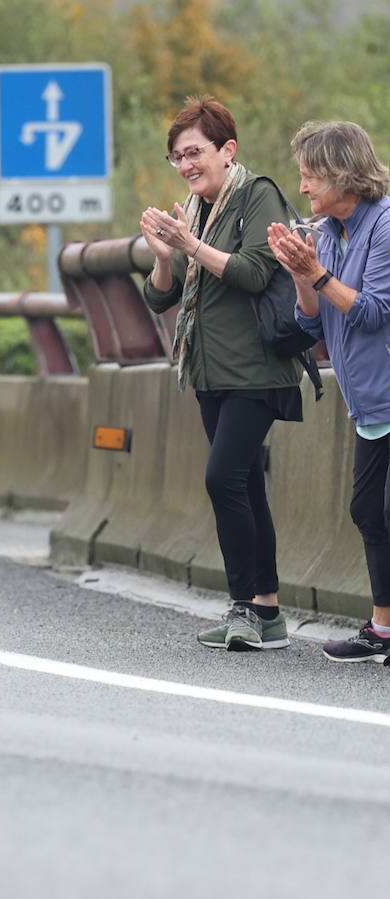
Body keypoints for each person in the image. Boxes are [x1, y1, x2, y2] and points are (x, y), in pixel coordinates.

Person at [138, 95, 305, 651]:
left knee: (222, 478)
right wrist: (165, 253)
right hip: (210, 372)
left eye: (195, 152)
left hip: (258, 369)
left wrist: (192, 243)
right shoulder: (197, 208)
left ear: (226, 150)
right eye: (177, 157)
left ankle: (241, 608)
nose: (186, 165)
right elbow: (160, 299)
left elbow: (257, 273)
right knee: (247, 485)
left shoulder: (258, 195)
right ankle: (268, 614)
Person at [268, 120, 390, 664]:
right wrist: (300, 271)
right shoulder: (331, 232)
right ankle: (382, 630)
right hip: (369, 401)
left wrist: (317, 273)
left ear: (344, 174)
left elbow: (373, 311)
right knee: (368, 510)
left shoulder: (384, 225)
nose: (304, 188)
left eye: (311, 175)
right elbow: (313, 326)